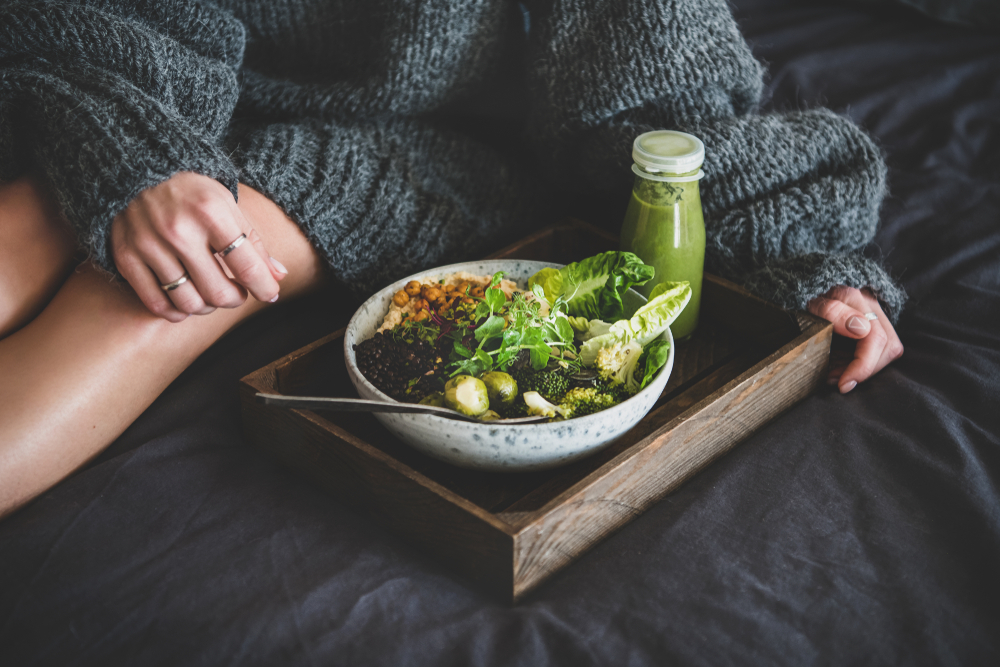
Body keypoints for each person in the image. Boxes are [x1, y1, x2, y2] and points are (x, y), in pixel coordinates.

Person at [0, 0, 903, 518]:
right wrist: (130, 154)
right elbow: (100, 26)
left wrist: (798, 256)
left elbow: (664, 113)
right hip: (162, 79)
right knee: (36, 212)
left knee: (172, 283)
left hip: (444, 148)